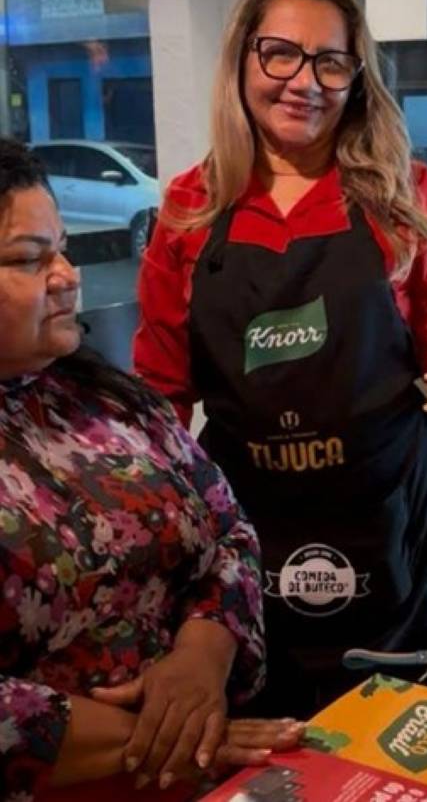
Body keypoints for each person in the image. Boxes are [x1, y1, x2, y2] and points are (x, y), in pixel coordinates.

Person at [133, 0, 427, 717]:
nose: (307, 82)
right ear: (242, 61)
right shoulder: (190, 209)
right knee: (273, 752)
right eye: (281, 54)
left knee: (418, 743)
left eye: (331, 61)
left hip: (399, 530)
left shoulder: (405, 195)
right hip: (250, 537)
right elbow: (161, 398)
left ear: (357, 78)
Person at [0, 138, 304, 802]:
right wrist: (174, 739)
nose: (66, 275)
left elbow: (230, 533)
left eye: (62, 248)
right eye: (30, 259)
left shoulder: (110, 399)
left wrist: (202, 656)